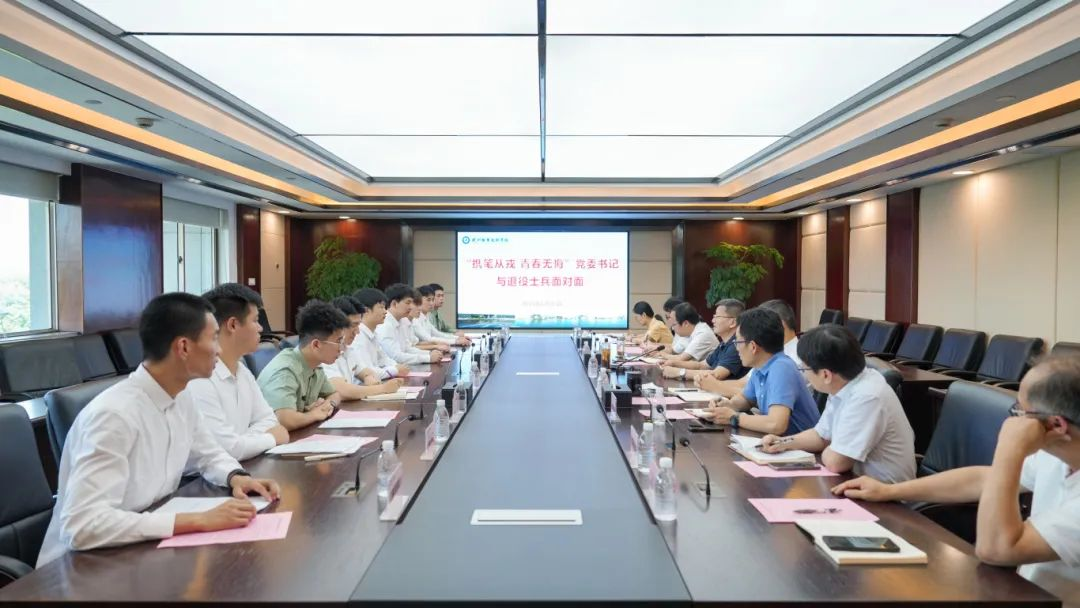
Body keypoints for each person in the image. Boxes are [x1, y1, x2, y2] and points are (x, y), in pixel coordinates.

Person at [36, 293, 280, 567]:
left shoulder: (181, 397)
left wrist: (237, 477)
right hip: (82, 567)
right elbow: (83, 526)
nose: (219, 350)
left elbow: (209, 454)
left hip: (144, 551)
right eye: (213, 339)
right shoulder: (113, 416)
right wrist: (198, 520)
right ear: (183, 347)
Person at [831, 356, 1080, 605]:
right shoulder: (1055, 454)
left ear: (1055, 425)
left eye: (1021, 411)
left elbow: (996, 550)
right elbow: (981, 479)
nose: (1014, 420)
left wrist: (1009, 449)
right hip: (1027, 592)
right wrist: (889, 490)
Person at [758, 324, 915, 483]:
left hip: (885, 493)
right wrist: (782, 443)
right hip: (854, 482)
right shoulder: (843, 384)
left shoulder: (867, 396)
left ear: (826, 375)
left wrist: (830, 447)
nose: (804, 374)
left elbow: (836, 462)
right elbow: (821, 435)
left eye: (804, 369)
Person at [177, 283, 289, 461]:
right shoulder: (199, 379)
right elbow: (224, 450)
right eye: (255, 320)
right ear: (233, 325)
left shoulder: (243, 371)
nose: (261, 328)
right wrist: (270, 438)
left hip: (239, 467)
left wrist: (240, 442)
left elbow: (269, 420)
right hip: (201, 476)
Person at [699, 307, 820, 435]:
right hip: (777, 441)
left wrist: (733, 418)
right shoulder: (761, 365)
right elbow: (746, 399)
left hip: (800, 445)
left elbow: (776, 424)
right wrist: (728, 405)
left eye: (738, 342)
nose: (737, 349)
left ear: (753, 346)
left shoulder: (782, 368)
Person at [257, 300, 345, 431]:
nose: (342, 348)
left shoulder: (314, 365)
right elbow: (286, 420)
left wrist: (328, 405)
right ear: (316, 345)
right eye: (338, 341)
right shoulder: (285, 371)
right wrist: (314, 414)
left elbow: (335, 394)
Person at [697, 298, 802, 398]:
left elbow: (757, 395)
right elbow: (745, 383)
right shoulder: (769, 352)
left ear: (779, 324)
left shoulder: (793, 360)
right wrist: (710, 383)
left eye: (759, 325)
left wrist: (715, 386)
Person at [322, 296, 404, 400]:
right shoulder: (325, 350)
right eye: (353, 325)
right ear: (336, 324)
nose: (357, 332)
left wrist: (368, 377)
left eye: (358, 325)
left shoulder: (347, 348)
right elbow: (343, 391)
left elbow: (365, 371)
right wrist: (383, 388)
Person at [662, 299, 747, 382]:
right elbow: (701, 365)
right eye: (714, 316)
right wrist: (673, 363)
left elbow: (716, 374)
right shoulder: (724, 344)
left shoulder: (737, 345)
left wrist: (679, 372)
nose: (713, 321)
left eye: (717, 317)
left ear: (733, 322)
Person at [376, 284, 442, 365]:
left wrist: (429, 354)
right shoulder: (385, 325)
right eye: (408, 303)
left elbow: (408, 349)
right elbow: (396, 357)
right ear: (394, 304)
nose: (411, 307)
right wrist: (428, 358)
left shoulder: (402, 321)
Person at [352, 288, 410, 380]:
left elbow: (383, 359)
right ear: (366, 310)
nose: (385, 311)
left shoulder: (373, 333)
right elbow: (369, 371)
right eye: (381, 307)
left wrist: (397, 366)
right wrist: (395, 370)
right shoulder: (358, 337)